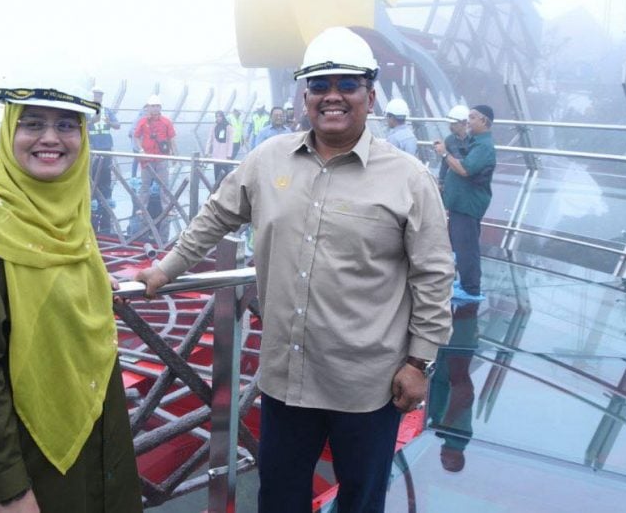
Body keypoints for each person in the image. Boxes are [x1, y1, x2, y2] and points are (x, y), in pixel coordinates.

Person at [136, 26, 454, 513]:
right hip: (287, 378)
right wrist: (167, 268)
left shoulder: (408, 178)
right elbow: (216, 215)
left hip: (367, 385)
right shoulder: (268, 160)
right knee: (279, 497)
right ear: (304, 97)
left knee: (361, 500)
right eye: (319, 86)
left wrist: (419, 363)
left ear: (370, 96)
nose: (332, 96)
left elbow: (433, 274)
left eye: (347, 85)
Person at [0, 76, 142, 513]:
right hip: (16, 456)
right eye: (33, 123)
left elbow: (52, 266)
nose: (50, 138)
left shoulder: (67, 208)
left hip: (88, 438)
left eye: (67, 125)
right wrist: (9, 490)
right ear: (9, 131)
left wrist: (91, 278)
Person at [434, 104, 497, 303]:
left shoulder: (484, 147)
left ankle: (471, 289)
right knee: (461, 245)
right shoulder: (474, 141)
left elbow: (465, 169)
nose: (468, 122)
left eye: (472, 118)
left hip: (468, 205)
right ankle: (466, 283)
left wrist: (445, 153)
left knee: (467, 247)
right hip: (460, 203)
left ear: (484, 121)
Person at [427, 300, 480, 473]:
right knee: (465, 308)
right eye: (447, 461)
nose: (442, 457)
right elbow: (464, 393)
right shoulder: (458, 438)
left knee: (445, 307)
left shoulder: (447, 436)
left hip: (445, 360)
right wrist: (444, 424)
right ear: (458, 458)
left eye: (442, 461)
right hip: (453, 357)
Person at [131, 94, 177, 232]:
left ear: (160, 107)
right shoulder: (143, 121)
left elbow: (172, 139)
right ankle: (142, 208)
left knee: (164, 185)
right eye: (153, 106)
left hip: (161, 158)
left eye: (157, 106)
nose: (155, 108)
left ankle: (167, 208)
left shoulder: (166, 122)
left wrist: (174, 155)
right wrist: (141, 150)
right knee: (145, 185)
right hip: (147, 159)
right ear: (148, 107)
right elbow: (136, 136)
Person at [89, 86, 121, 235]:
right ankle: (92, 200)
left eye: (100, 95)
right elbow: (83, 125)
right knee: (92, 176)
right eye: (96, 95)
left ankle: (106, 200)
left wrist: (109, 122)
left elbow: (117, 125)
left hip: (106, 147)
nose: (98, 98)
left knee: (105, 177)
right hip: (93, 148)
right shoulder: (86, 110)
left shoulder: (107, 111)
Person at [437, 105, 470, 191]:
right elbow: (444, 164)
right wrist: (441, 182)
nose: (450, 127)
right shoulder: (449, 140)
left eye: (454, 124)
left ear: (464, 123)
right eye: (450, 124)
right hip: (455, 183)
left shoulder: (475, 141)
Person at [204, 109, 234, 186]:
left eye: (220, 116)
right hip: (216, 155)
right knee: (216, 174)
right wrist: (207, 151)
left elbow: (230, 142)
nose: (218, 118)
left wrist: (229, 155)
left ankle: (224, 189)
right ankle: (217, 189)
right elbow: (210, 139)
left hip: (225, 155)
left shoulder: (228, 127)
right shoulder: (214, 127)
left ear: (223, 117)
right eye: (216, 116)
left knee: (224, 174)